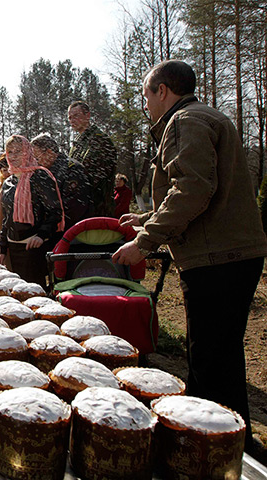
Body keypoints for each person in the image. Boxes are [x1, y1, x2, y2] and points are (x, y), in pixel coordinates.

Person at [112, 59, 267, 451]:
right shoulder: (207, 117)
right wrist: (146, 217)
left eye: (147, 95)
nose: (146, 104)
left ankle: (215, 445)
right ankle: (220, 436)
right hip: (228, 251)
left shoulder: (185, 122)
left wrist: (144, 240)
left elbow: (193, 191)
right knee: (219, 354)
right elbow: (203, 191)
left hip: (217, 257)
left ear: (162, 90)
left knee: (211, 359)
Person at [0, 135, 64, 288]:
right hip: (14, 248)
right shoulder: (9, 182)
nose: (13, 156)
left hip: (34, 248)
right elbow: (7, 218)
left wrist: (42, 235)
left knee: (34, 292)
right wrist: (3, 248)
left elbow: (55, 211)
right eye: (10, 152)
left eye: (18, 151)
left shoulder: (40, 176)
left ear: (27, 152)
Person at [31, 132, 91, 234]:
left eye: (37, 158)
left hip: (73, 233)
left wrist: (48, 226)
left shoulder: (72, 170)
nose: (35, 162)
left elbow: (74, 208)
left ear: (49, 152)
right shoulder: (45, 172)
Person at [68, 100, 118, 217]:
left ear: (88, 116)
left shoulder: (100, 140)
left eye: (76, 116)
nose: (72, 120)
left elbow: (95, 178)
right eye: (70, 118)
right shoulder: (77, 144)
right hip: (81, 209)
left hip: (98, 209)